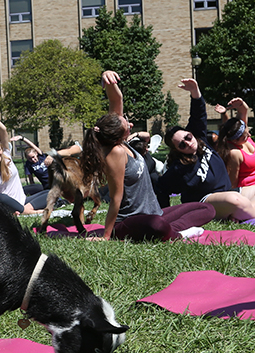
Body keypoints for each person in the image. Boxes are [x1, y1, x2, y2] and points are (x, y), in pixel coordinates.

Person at [80, 71, 216, 241]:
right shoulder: (115, 152)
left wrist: (108, 80)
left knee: (206, 209)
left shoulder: (122, 144)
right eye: (127, 125)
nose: (130, 124)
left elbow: (116, 100)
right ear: (118, 134)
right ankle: (178, 235)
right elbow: (115, 198)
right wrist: (106, 236)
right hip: (129, 221)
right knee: (156, 225)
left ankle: (170, 230)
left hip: (153, 214)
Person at [157, 79, 255, 222]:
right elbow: (160, 187)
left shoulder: (200, 139)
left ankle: (236, 213)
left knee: (240, 197)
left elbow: (199, 114)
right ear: (178, 150)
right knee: (236, 201)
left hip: (228, 193)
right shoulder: (180, 167)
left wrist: (195, 92)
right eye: (182, 145)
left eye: (188, 137)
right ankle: (238, 212)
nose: (188, 143)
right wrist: (164, 215)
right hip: (204, 202)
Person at [0, 111, 48, 215]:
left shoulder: (6, 155)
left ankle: (25, 210)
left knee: (52, 192)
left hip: (22, 201)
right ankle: (32, 212)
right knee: (0, 197)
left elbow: (3, 130)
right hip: (2, 203)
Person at [215, 98, 255, 200]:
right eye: (245, 136)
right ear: (234, 140)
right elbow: (233, 183)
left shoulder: (244, 138)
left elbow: (243, 111)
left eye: (248, 131)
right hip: (248, 190)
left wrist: (240, 104)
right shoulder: (234, 153)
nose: (249, 135)